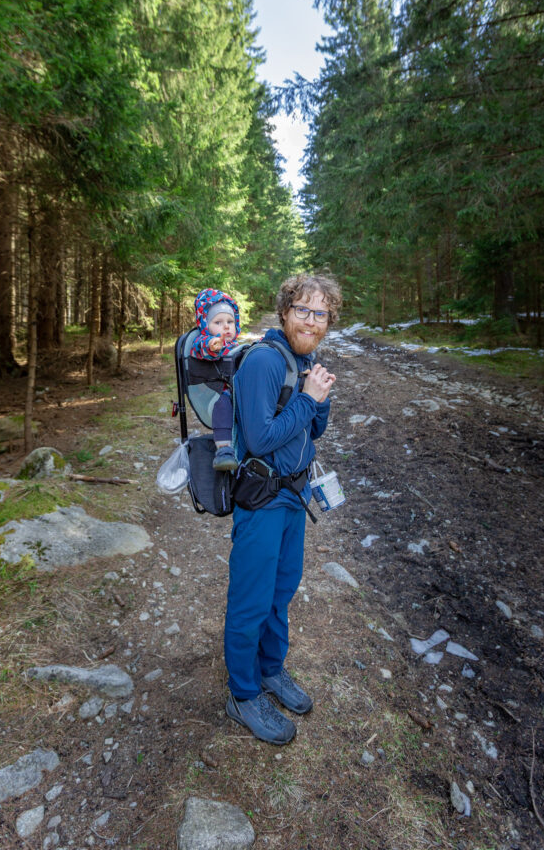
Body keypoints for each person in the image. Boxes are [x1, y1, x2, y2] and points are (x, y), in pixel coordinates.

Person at [224, 272, 342, 745]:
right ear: (285, 312)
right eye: (303, 310)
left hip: (294, 497)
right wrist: (309, 399)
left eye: (321, 314)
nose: (312, 321)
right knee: (251, 600)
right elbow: (261, 437)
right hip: (262, 500)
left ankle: (271, 670)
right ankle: (242, 693)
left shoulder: (303, 362)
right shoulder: (264, 363)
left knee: (282, 591)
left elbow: (310, 434)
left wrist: (320, 400)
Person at [190, 288, 241, 471]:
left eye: (230, 321)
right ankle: (224, 449)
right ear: (205, 325)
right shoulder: (204, 342)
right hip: (218, 391)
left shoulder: (236, 344)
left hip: (241, 389)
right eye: (218, 322)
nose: (226, 326)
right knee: (223, 404)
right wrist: (212, 346)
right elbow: (201, 350)